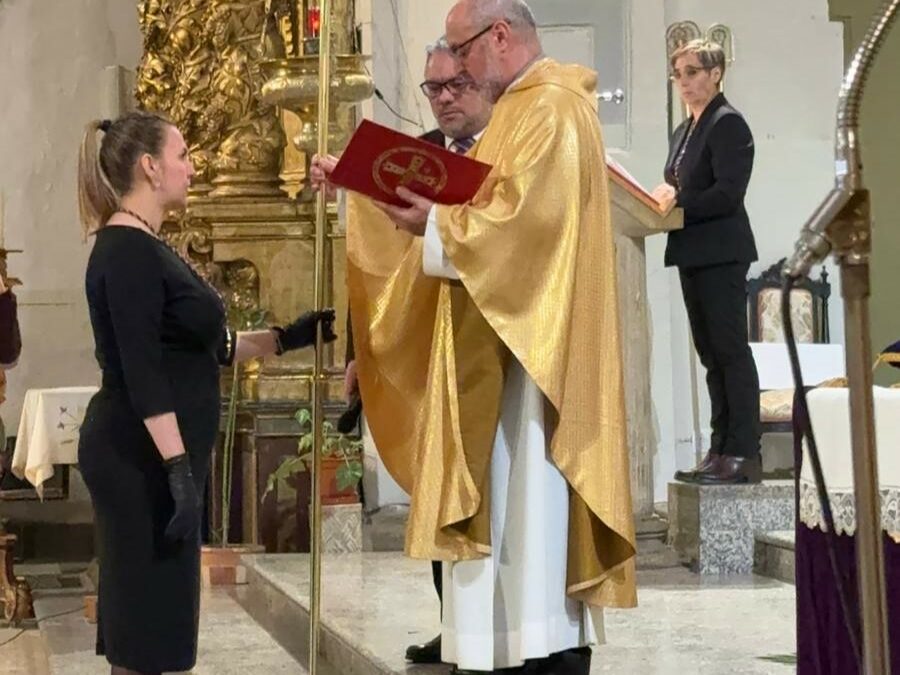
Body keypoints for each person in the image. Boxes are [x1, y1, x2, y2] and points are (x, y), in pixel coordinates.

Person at [316, 1, 636, 672]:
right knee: (507, 547)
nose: (455, 69)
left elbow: (525, 230)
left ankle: (535, 647)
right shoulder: (519, 112)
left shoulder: (550, 108)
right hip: (497, 350)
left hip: (528, 367)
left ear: (499, 36)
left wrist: (437, 225)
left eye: (461, 53)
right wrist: (375, 194)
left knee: (530, 535)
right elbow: (475, 210)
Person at [76, 110, 335, 675]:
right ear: (149, 167)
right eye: (183, 156)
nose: (193, 169)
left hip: (159, 457)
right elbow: (144, 373)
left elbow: (212, 347)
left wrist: (288, 338)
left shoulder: (151, 246)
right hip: (137, 459)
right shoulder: (124, 251)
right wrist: (176, 471)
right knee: (143, 631)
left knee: (159, 627)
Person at [331, 41, 494, 667]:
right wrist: (359, 351)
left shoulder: (508, 155)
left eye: (456, 84)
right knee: (434, 486)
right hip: (424, 351)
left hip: (487, 353)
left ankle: (488, 623)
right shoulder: (414, 157)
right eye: (433, 87)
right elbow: (374, 258)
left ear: (481, 82)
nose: (445, 97)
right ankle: (451, 621)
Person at [652, 39, 762, 485]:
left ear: (716, 74)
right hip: (692, 250)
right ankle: (718, 450)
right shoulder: (684, 131)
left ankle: (743, 451)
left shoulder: (728, 123)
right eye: (678, 73)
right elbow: (677, 185)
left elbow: (727, 193)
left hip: (722, 250)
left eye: (693, 71)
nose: (684, 81)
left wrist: (678, 200)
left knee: (730, 350)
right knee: (710, 354)